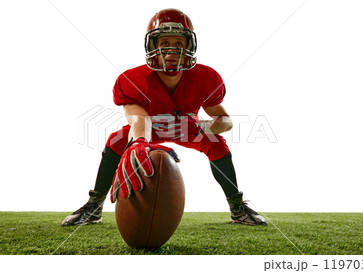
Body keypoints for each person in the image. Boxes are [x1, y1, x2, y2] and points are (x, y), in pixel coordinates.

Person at [61, 8, 267, 227]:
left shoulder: (205, 78)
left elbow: (226, 121)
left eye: (178, 44)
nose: (171, 52)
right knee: (116, 140)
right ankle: (94, 206)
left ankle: (237, 207)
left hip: (188, 128)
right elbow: (139, 120)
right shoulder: (133, 79)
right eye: (164, 44)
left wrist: (203, 128)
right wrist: (139, 141)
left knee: (216, 143)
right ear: (152, 46)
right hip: (150, 128)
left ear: (189, 46)